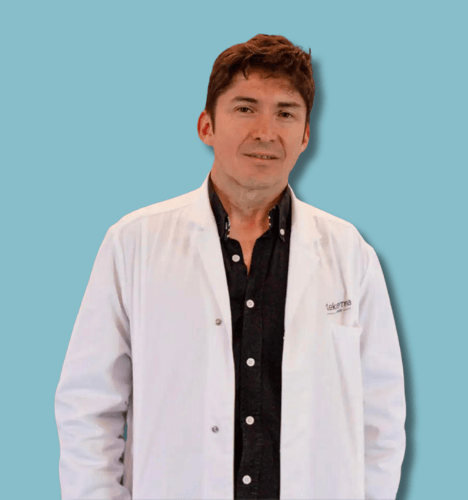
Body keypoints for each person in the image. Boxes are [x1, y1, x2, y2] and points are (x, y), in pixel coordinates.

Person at [55, 34, 406, 500]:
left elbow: (381, 418)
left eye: (285, 113)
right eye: (245, 108)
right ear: (206, 126)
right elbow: (88, 408)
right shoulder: (134, 242)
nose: (266, 131)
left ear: (305, 135)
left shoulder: (349, 253)